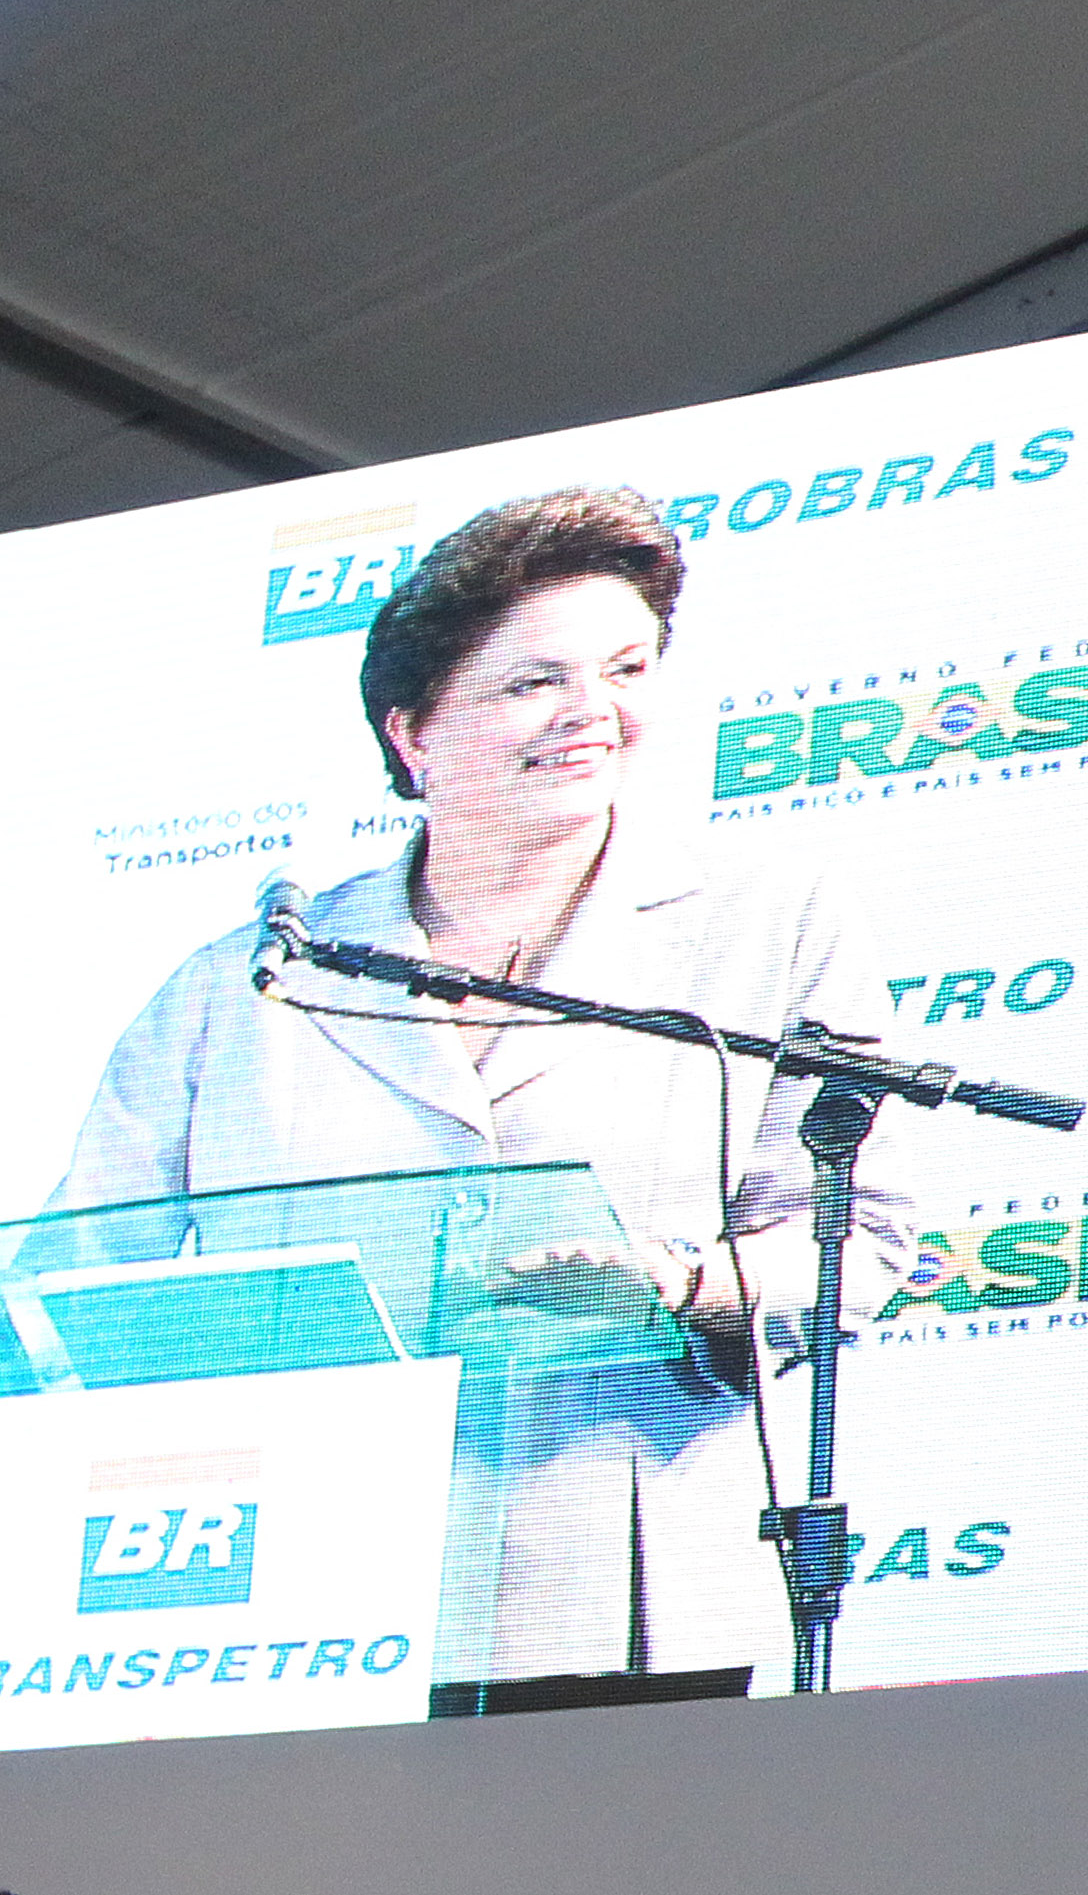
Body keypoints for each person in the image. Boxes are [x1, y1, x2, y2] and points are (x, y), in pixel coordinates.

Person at [49, 486, 914, 1692]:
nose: (592, 713)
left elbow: (856, 1243)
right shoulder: (246, 980)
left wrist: (675, 1282)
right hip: (294, 1592)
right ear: (411, 735)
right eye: (533, 683)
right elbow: (79, 1284)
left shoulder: (766, 924)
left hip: (618, 1584)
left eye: (625, 669)